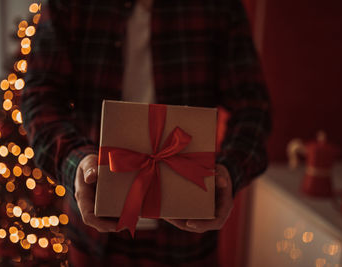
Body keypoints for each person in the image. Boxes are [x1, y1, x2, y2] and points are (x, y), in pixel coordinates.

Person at [21, 0, 271, 265]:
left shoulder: (220, 6)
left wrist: (228, 173)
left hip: (188, 238)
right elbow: (39, 99)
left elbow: (253, 108)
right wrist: (76, 163)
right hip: (96, 235)